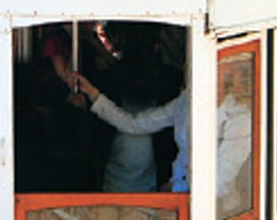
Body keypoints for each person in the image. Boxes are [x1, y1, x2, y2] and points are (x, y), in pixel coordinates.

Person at [56, 38, 188, 193]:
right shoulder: (182, 103)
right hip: (113, 188)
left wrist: (175, 185)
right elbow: (132, 124)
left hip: (161, 191)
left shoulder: (174, 97)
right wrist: (91, 94)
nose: (140, 71)